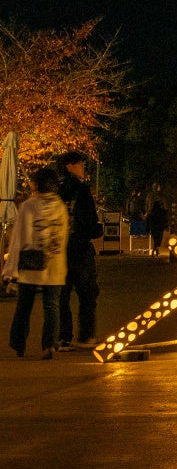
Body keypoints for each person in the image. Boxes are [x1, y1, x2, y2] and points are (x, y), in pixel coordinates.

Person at [4, 167, 69, 358]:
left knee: (24, 306)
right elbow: (64, 237)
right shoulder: (61, 207)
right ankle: (49, 345)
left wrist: (9, 269)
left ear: (37, 185)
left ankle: (18, 343)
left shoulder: (29, 206)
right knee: (52, 306)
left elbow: (18, 239)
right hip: (55, 264)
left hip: (30, 265)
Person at [56, 151, 102, 349]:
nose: (83, 168)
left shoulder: (55, 191)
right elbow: (90, 221)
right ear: (69, 166)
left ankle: (63, 337)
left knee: (61, 295)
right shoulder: (82, 190)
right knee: (87, 293)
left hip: (58, 250)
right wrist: (96, 230)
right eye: (80, 164)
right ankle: (85, 335)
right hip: (80, 248)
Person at [145, 189, 168, 257]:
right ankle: (156, 249)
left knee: (155, 238)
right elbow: (165, 218)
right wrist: (166, 225)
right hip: (160, 227)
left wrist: (147, 228)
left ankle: (155, 249)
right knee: (159, 238)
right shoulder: (162, 211)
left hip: (153, 227)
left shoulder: (151, 212)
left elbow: (148, 219)